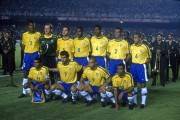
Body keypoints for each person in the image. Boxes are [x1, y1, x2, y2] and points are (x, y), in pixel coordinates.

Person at [18, 20, 41, 98]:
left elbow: (41, 46)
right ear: (28, 26)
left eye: (34, 25)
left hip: (35, 55)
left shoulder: (38, 34)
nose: (33, 27)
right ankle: (24, 92)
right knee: (25, 73)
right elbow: (23, 47)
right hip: (27, 56)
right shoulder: (24, 35)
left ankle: (36, 90)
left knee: (36, 73)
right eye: (31, 25)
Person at [128, 33, 151, 108]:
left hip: (141, 66)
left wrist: (144, 65)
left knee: (142, 84)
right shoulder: (131, 46)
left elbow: (149, 58)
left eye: (136, 37)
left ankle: (143, 103)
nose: (134, 39)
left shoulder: (145, 47)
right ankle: (134, 102)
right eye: (134, 37)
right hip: (133, 66)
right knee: (133, 84)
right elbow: (130, 55)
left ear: (140, 38)